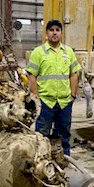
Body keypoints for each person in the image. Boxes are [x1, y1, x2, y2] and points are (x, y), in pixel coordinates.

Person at [26, 19, 81, 156]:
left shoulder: (68, 52)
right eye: (51, 30)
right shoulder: (38, 52)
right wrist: (35, 97)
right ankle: (41, 162)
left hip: (64, 102)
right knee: (41, 136)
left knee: (64, 135)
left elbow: (74, 74)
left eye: (57, 30)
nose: (54, 33)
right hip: (46, 102)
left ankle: (64, 160)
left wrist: (72, 95)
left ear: (61, 33)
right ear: (46, 34)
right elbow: (31, 75)